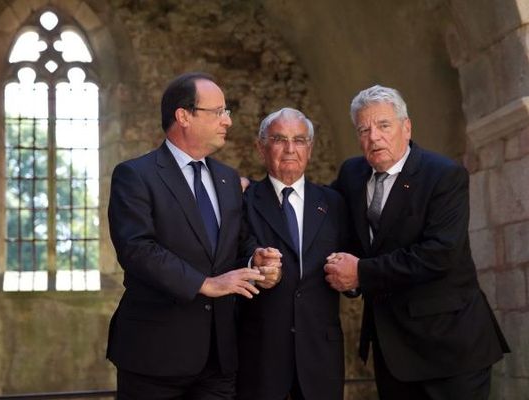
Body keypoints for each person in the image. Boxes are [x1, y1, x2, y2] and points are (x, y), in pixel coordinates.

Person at [324, 85, 510, 399]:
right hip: (392, 350)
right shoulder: (352, 174)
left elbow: (439, 254)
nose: (374, 137)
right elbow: (322, 212)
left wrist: (362, 273)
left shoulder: (444, 175)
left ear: (406, 127)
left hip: (451, 348)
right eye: (364, 129)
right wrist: (254, 191)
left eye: (384, 125)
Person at [107, 72, 282, 400]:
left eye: (227, 112)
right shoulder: (135, 175)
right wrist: (205, 284)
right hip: (154, 355)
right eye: (218, 112)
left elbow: (238, 241)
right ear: (183, 116)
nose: (227, 121)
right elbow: (137, 249)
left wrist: (254, 259)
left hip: (218, 358)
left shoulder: (228, 178)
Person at [237, 108, 349, 400]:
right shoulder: (243, 200)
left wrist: (353, 279)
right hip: (260, 356)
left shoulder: (334, 203)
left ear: (309, 148)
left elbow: (352, 267)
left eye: (299, 140)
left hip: (320, 358)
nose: (290, 149)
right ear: (261, 147)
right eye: (279, 139)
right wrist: (254, 266)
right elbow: (231, 256)